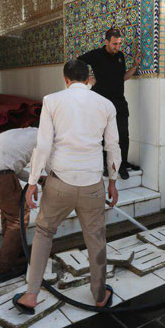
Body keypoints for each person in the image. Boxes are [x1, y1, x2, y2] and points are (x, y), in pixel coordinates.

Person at [13, 59, 121, 313]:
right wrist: (113, 182)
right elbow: (113, 146)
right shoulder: (106, 104)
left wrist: (32, 182)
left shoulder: (52, 101)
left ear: (65, 79)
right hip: (92, 184)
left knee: (44, 233)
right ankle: (99, 295)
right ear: (88, 79)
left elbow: (43, 145)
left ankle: (31, 295)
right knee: (96, 238)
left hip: (59, 183)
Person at [0, 127, 46, 283]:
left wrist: (38, 180)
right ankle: (4, 270)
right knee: (18, 218)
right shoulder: (45, 138)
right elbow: (40, 165)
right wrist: (35, 181)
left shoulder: (28, 133)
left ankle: (14, 254)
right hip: (0, 175)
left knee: (9, 215)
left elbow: (16, 168)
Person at [78, 27, 141, 180]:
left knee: (123, 134)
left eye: (119, 44)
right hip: (101, 102)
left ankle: (122, 165)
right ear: (106, 42)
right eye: (114, 44)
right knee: (102, 135)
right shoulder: (96, 55)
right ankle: (106, 166)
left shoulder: (120, 56)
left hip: (119, 102)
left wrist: (135, 66)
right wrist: (89, 79)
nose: (117, 47)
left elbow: (122, 78)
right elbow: (78, 62)